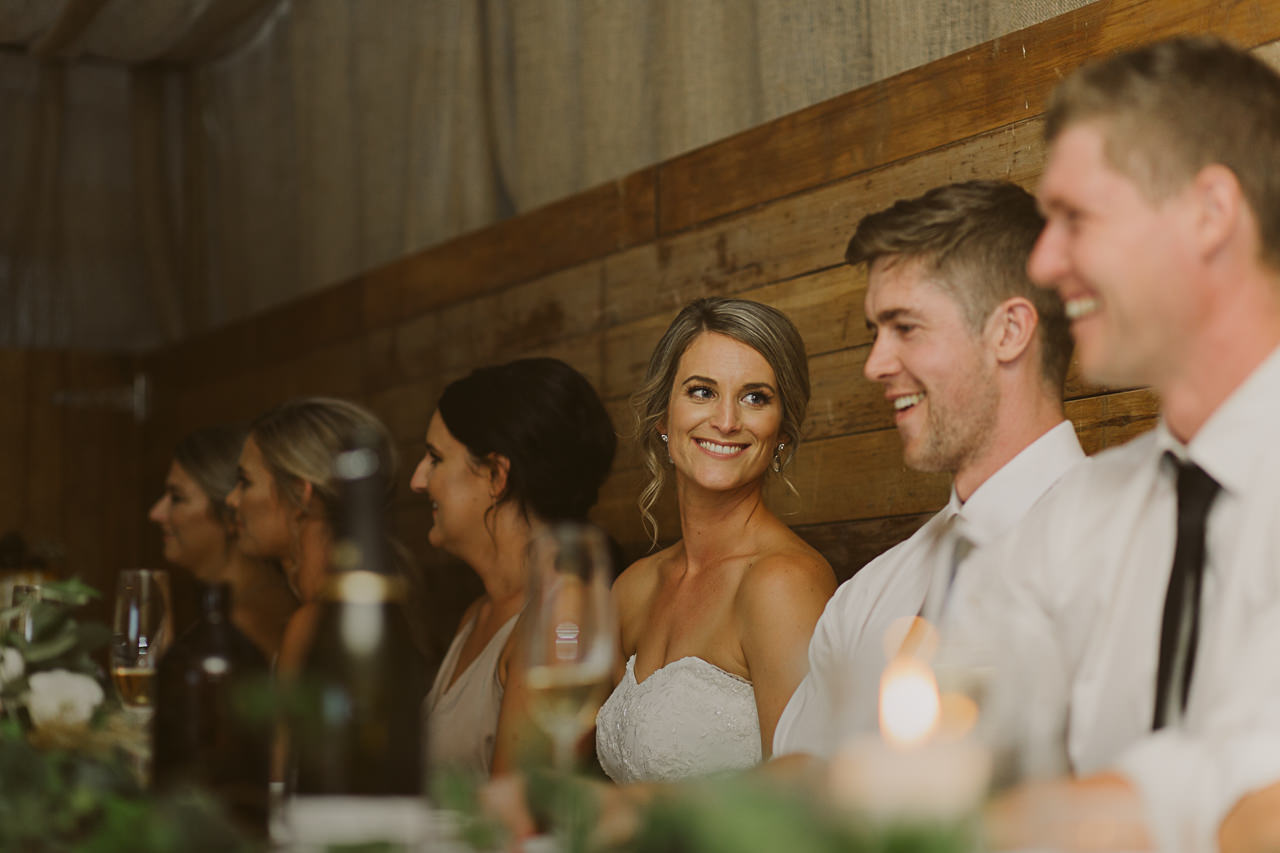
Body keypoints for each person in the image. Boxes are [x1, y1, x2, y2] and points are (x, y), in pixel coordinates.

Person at [938, 36, 1280, 851]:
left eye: (1074, 219)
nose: (1043, 261)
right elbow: (953, 734)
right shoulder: (1077, 517)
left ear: (1209, 212)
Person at [771, 179, 1081, 761]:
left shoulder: (1121, 551)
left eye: (905, 328)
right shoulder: (867, 596)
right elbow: (805, 772)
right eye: (875, 333)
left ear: (1009, 332)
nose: (874, 365)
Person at [594, 297, 836, 783]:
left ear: (782, 430)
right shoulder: (633, 589)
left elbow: (802, 794)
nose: (726, 421)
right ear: (663, 417)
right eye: (702, 392)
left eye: (755, 398)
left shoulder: (783, 583)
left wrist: (636, 809)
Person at [412, 357, 617, 778]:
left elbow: (522, 805)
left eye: (435, 458)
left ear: (495, 475)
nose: (418, 480)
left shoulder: (561, 615)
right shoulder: (477, 614)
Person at [224, 397, 401, 673]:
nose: (232, 499)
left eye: (245, 482)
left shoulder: (313, 623)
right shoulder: (364, 609)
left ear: (300, 495)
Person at [149, 426, 297, 660]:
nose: (155, 513)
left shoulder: (245, 623)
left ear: (230, 512)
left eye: (177, 498)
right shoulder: (226, 609)